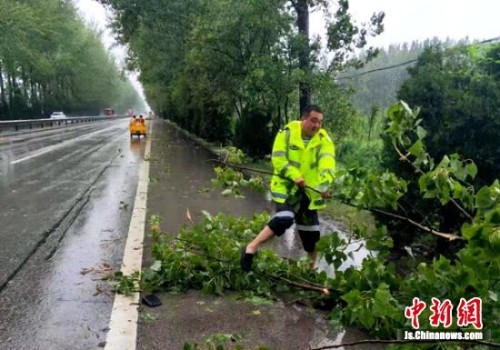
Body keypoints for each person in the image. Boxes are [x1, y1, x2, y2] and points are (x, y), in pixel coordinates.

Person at [240, 105, 336, 272]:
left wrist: (324, 186)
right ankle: (251, 248)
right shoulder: (286, 133)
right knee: (284, 218)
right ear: (303, 119)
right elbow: (278, 160)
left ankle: (310, 271)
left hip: (309, 193)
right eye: (313, 121)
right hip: (286, 188)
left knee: (311, 237)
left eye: (320, 122)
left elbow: (327, 166)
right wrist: (294, 175)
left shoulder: (324, 140)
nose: (316, 125)